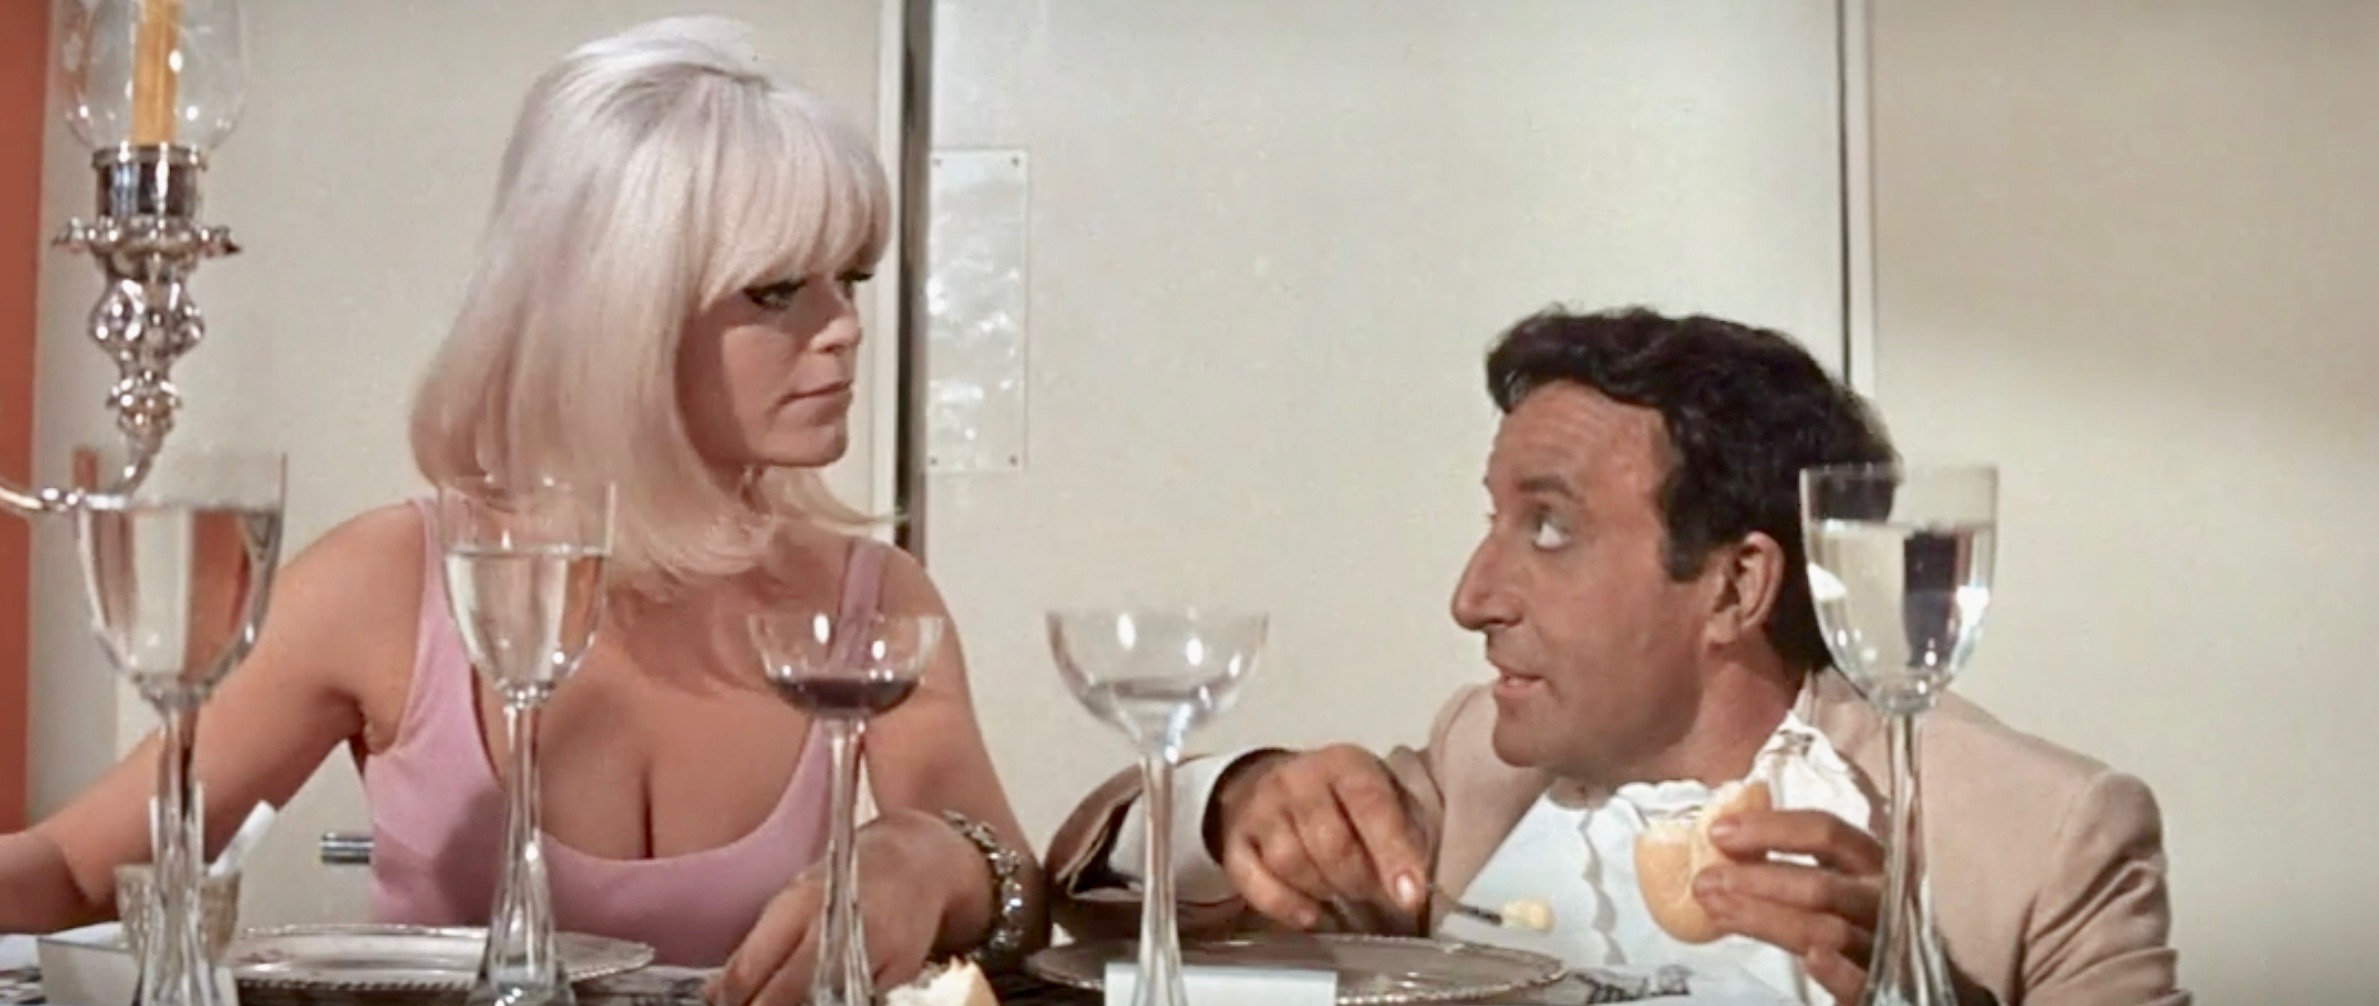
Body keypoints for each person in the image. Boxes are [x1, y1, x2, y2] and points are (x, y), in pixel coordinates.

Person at [0, 16, 1045, 1001]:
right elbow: (80, 869)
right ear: (618, 309)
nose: (845, 328)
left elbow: (1022, 900)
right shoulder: (395, 580)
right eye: (776, 291)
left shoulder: (869, 602)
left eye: (851, 279)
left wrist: (925, 859)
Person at [1046, 307, 2186, 1005]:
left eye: (1549, 527)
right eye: (1493, 520)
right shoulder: (1478, 763)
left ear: (1734, 587)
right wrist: (1235, 801)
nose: (1470, 599)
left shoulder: (2042, 837)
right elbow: (1094, 888)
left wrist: (1923, 990)